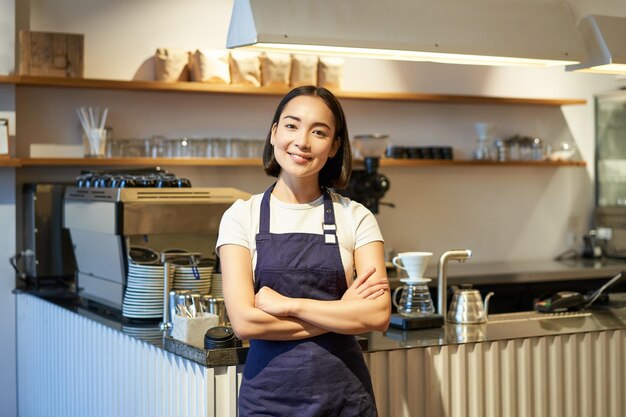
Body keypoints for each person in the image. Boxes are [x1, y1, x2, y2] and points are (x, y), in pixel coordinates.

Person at [216, 85, 391, 417]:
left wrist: (288, 305)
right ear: (274, 133)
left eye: (319, 131)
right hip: (268, 402)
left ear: (335, 145)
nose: (302, 141)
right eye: (292, 125)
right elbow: (245, 322)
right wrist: (341, 313)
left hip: (345, 399)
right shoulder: (241, 216)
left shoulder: (356, 217)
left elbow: (376, 315)